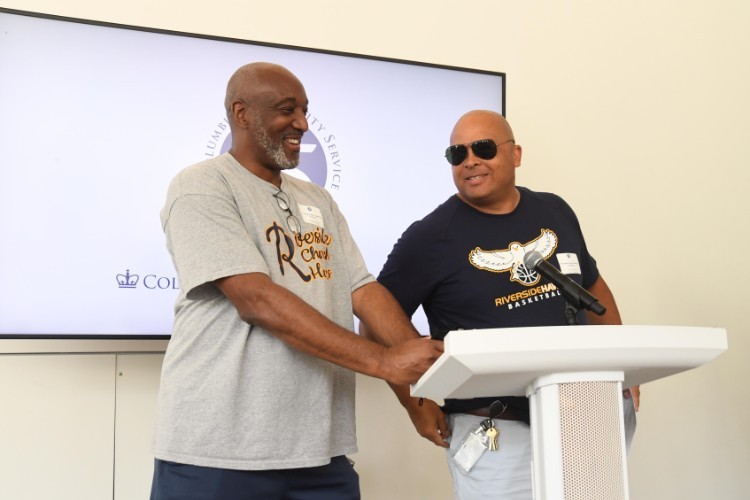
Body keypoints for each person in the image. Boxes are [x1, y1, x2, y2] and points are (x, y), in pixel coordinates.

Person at [149, 62, 443, 500]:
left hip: (320, 454)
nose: (302, 124)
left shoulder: (318, 199)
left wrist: (419, 394)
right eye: (287, 110)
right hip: (217, 455)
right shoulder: (202, 186)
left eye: (305, 110)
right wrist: (384, 362)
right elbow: (256, 299)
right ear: (242, 113)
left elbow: (362, 291)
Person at [361, 110, 639, 499]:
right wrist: (415, 402)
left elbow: (593, 287)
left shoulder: (554, 210)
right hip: (497, 431)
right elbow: (373, 323)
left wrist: (621, 366)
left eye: (484, 148)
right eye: (457, 154)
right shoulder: (428, 237)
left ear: (516, 154)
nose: (470, 160)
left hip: (582, 417)